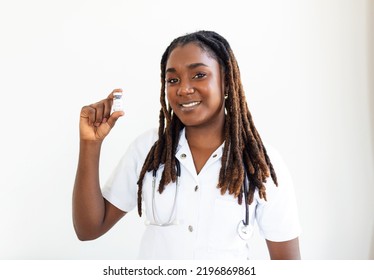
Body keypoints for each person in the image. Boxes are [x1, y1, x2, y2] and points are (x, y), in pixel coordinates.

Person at [72, 30, 301, 260]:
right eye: (173, 80)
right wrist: (90, 144)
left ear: (227, 81)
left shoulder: (259, 162)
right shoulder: (148, 150)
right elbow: (89, 229)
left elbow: (287, 264)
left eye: (199, 75)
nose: (183, 88)